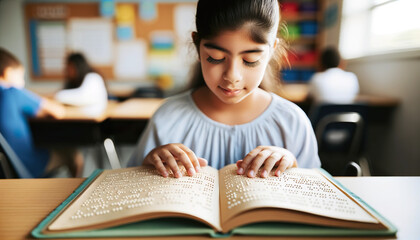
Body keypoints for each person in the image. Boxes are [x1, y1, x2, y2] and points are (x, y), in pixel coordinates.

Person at [128, 0, 321, 178]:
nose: (232, 76)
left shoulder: (291, 122)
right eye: (216, 57)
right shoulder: (168, 119)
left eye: (250, 60)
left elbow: (316, 193)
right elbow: (129, 187)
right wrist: (147, 167)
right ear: (197, 47)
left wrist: (294, 166)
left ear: (271, 50)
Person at [0, 48, 83, 178]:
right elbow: (58, 112)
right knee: (74, 156)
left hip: (4, 171)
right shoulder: (12, 92)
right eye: (21, 77)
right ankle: (76, 196)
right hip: (27, 165)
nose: (22, 83)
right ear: (8, 73)